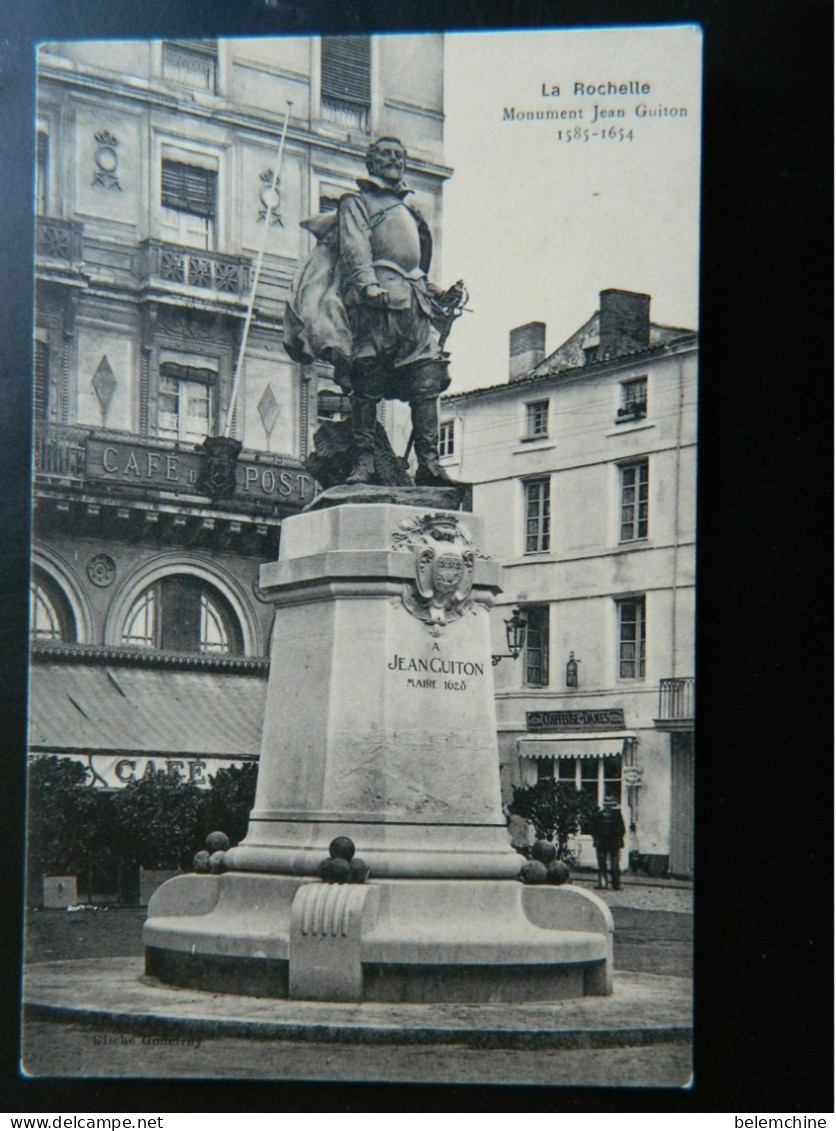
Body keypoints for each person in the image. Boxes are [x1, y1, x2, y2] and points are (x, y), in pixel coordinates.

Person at [283, 136, 465, 487]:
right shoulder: (357, 202)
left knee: (426, 379)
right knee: (367, 381)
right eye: (385, 154)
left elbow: (416, 270)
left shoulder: (410, 211)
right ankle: (363, 462)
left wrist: (441, 295)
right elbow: (355, 248)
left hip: (414, 304)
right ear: (372, 162)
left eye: (399, 154)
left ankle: (429, 463)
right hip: (375, 306)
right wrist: (367, 286)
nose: (394, 159)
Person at [591, 796, 626, 890]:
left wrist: (596, 838)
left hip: (605, 842)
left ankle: (604, 883)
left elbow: (593, 829)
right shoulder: (616, 816)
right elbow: (622, 829)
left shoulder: (600, 815)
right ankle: (614, 884)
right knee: (613, 863)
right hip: (610, 842)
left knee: (604, 863)